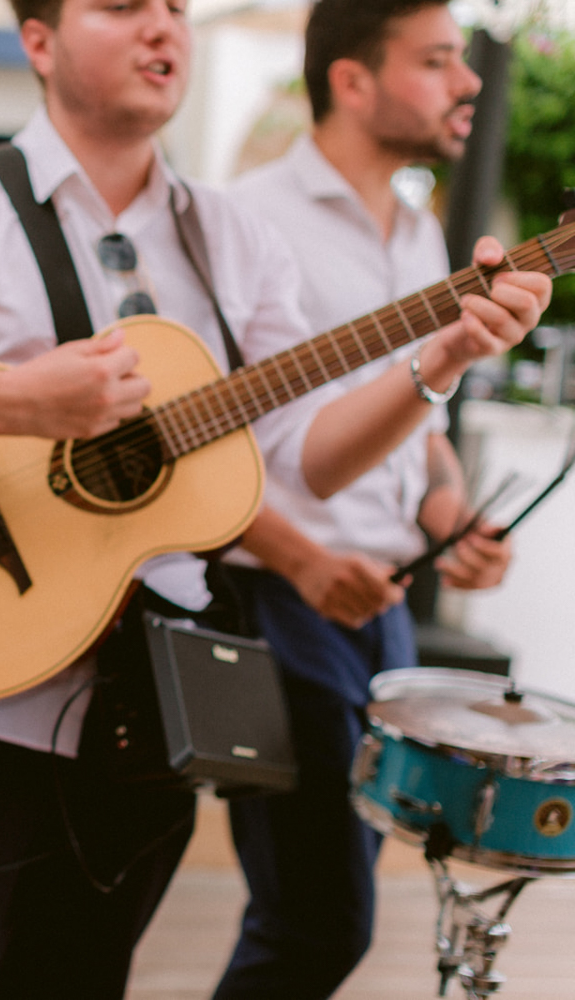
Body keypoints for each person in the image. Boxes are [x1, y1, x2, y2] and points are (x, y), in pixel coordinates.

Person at [0, 0, 550, 996]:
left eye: (175, 7)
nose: (162, 28)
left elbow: (315, 460)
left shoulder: (227, 234)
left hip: (145, 723)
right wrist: (15, 396)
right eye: (123, 6)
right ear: (38, 41)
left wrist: (444, 360)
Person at [214, 1, 511, 995]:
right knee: (315, 922)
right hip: (275, 607)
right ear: (353, 80)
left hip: (375, 612)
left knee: (317, 919)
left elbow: (419, 431)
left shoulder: (418, 226)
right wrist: (300, 556)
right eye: (435, 61)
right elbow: (207, 451)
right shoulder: (251, 217)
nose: (465, 82)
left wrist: (449, 513)